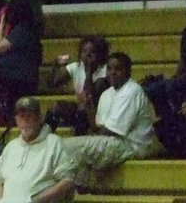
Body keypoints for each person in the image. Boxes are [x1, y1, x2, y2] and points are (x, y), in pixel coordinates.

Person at [60, 52, 157, 190]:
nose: (112, 73)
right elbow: (97, 127)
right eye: (109, 69)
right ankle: (81, 189)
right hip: (113, 140)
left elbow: (112, 131)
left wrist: (90, 140)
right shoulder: (107, 94)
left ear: (128, 71)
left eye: (118, 69)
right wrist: (89, 108)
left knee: (69, 147)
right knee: (71, 151)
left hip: (131, 146)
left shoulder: (131, 91)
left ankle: (80, 188)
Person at [44, 35, 109, 135]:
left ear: (100, 54)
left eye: (92, 52)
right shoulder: (76, 66)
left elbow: (89, 96)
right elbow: (53, 83)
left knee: (82, 109)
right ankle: (44, 138)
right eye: (84, 51)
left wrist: (88, 72)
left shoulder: (105, 71)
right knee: (56, 107)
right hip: (82, 110)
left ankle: (80, 139)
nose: (88, 55)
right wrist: (56, 66)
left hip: (99, 113)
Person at [0, 0, 42, 115]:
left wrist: (2, 24)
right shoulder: (28, 30)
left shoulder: (21, 30)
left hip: (17, 80)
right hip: (22, 79)